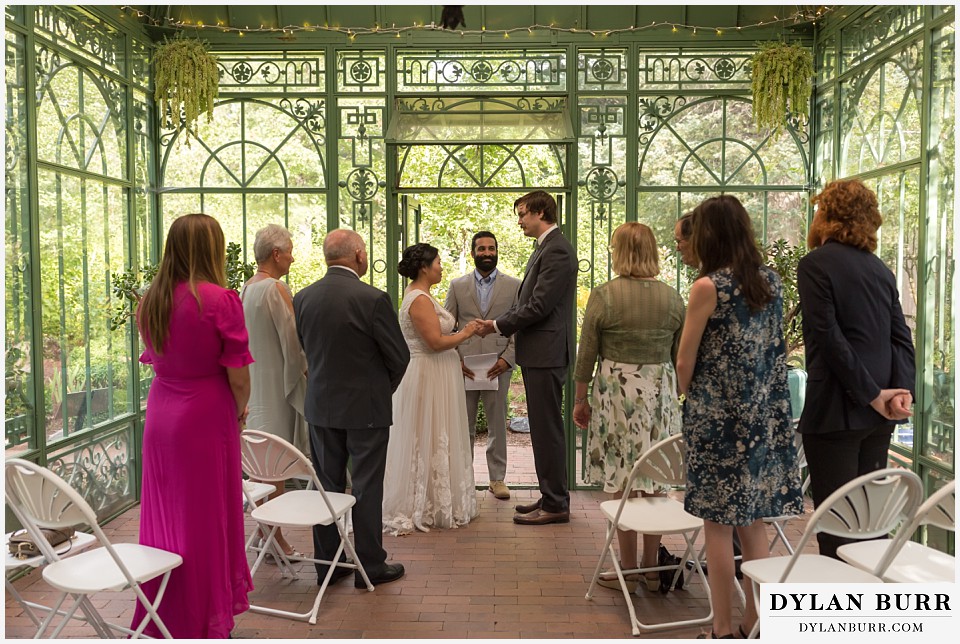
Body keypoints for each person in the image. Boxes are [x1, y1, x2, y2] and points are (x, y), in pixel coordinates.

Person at [676, 195, 803, 639]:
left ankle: (722, 626)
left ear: (710, 234)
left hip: (718, 419)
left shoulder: (707, 286)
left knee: (716, 524)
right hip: (764, 418)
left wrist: (685, 396)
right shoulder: (770, 282)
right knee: (754, 522)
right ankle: (758, 621)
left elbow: (684, 360)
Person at [132, 213, 253, 638]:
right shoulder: (220, 300)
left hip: (162, 413)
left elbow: (158, 361)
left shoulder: (151, 301)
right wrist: (241, 410)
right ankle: (204, 618)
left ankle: (165, 611)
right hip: (205, 414)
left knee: (166, 517)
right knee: (205, 519)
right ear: (212, 249)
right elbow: (238, 375)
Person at [797, 179, 915, 559]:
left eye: (819, 209)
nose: (815, 216)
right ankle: (865, 607)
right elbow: (901, 336)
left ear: (829, 216)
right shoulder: (880, 270)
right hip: (879, 417)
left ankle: (836, 612)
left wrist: (871, 394)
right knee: (870, 523)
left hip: (835, 413)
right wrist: (899, 390)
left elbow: (828, 337)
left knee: (836, 528)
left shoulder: (815, 264)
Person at [293, 229, 410, 588]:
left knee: (326, 486)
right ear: (358, 255)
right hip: (366, 411)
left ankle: (328, 566)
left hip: (321, 408)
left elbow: (307, 349)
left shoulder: (302, 298)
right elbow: (399, 357)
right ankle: (370, 566)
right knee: (366, 485)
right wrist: (379, 390)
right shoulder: (372, 298)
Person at [572, 222, 685, 592]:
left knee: (623, 481)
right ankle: (652, 571)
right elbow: (680, 355)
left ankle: (628, 570)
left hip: (617, 396)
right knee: (654, 479)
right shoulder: (673, 297)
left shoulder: (605, 295)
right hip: (659, 395)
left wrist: (580, 398)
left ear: (618, 252)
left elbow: (587, 351)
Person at [477, 190, 578, 526]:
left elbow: (538, 306)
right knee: (543, 428)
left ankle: (556, 504)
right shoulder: (546, 248)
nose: (519, 221)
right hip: (539, 353)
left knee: (547, 429)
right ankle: (551, 496)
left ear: (539, 212)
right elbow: (531, 301)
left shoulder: (558, 249)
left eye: (522, 214)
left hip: (547, 353)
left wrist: (495, 324)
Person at [383, 243, 481, 534]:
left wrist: (456, 359)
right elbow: (435, 342)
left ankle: (436, 497)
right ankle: (422, 501)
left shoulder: (423, 295)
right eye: (438, 261)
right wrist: (466, 332)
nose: (441, 266)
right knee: (425, 433)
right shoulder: (418, 299)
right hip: (427, 373)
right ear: (424, 266)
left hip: (439, 371)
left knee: (436, 433)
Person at [240, 223, 309, 560]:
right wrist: (307, 372)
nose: (293, 258)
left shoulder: (245, 288)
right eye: (290, 251)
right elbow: (292, 342)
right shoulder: (275, 289)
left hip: (255, 387)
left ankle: (265, 534)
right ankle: (274, 539)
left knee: (260, 465)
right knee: (275, 467)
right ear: (277, 254)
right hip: (278, 388)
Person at [444, 231, 521, 501]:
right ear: (474, 252)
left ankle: (497, 479)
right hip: (464, 365)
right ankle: (463, 478)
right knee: (462, 424)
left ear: (497, 251)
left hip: (498, 365)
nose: (487, 253)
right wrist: (455, 357)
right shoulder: (457, 285)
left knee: (497, 424)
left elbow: (519, 327)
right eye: (481, 249)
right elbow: (447, 324)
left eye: (491, 248)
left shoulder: (514, 285)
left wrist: (507, 358)